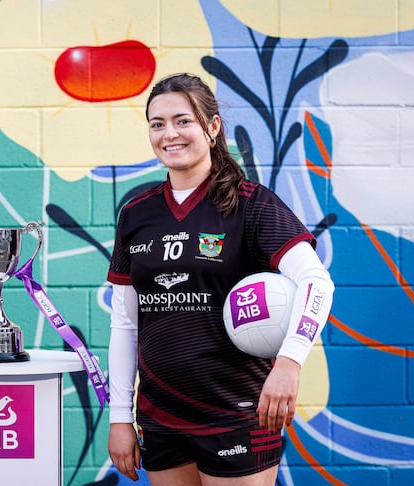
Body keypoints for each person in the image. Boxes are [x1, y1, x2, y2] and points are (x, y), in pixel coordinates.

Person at [106, 73, 335, 485]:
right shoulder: (136, 214)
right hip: (161, 417)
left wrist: (290, 362)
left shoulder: (252, 204)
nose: (168, 134)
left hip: (237, 412)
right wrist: (120, 418)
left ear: (212, 128)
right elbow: (125, 324)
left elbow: (318, 283)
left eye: (182, 121)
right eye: (157, 124)